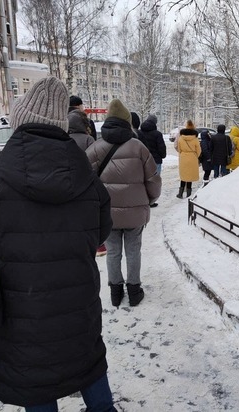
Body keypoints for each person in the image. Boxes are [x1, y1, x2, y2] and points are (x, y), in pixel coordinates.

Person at [0, 77, 116, 411]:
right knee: (86, 363)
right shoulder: (87, 178)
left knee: (34, 378)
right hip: (77, 300)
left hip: (21, 307)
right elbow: (100, 234)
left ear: (20, 121)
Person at [86, 99, 161, 307]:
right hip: (135, 214)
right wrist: (149, 200)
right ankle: (134, 291)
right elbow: (153, 180)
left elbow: (86, 183)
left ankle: (115, 292)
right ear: (127, 122)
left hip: (107, 214)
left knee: (113, 252)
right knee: (133, 250)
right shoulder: (139, 147)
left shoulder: (95, 148)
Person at [140, 114, 167, 207]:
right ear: (155, 123)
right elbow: (161, 148)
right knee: (154, 181)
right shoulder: (157, 134)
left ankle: (143, 199)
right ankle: (151, 201)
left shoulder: (140, 132)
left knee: (143, 180)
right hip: (155, 161)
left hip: (143, 160)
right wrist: (162, 155)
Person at [175, 119, 201, 198]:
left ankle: (180, 193)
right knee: (190, 176)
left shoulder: (181, 138)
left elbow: (179, 149)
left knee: (184, 175)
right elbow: (199, 150)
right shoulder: (195, 138)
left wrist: (183, 154)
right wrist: (195, 156)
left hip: (183, 157)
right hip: (192, 158)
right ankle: (189, 194)